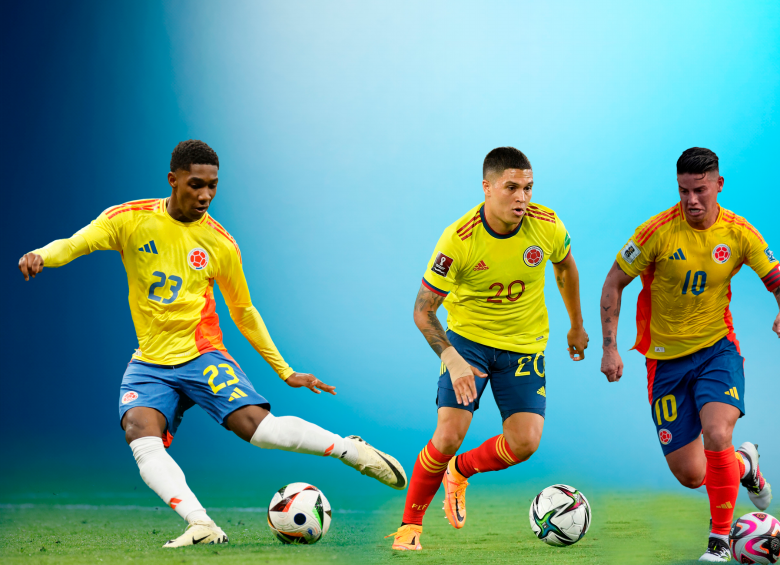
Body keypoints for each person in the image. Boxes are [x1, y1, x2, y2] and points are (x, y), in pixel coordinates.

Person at [18, 139, 407, 548]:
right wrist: (42, 254)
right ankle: (201, 524)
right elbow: (78, 242)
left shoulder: (220, 243)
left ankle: (349, 450)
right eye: (195, 184)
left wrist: (285, 371)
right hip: (150, 362)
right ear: (173, 180)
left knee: (260, 432)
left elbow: (244, 311)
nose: (205, 195)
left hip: (202, 354)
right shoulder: (129, 220)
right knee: (139, 434)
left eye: (213, 186)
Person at [386, 147, 589, 550]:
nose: (522, 198)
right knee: (447, 436)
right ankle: (410, 527)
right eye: (512, 187)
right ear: (487, 188)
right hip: (469, 346)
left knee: (525, 443)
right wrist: (452, 358)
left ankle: (460, 472)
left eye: (528, 188)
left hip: (524, 346)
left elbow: (565, 266)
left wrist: (577, 325)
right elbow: (423, 312)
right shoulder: (458, 240)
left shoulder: (546, 225)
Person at [599, 147, 776, 562]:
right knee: (692, 473)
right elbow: (613, 282)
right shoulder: (656, 232)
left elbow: (776, 278)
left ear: (718, 185)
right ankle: (745, 466)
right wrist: (610, 348)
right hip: (664, 363)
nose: (692, 201)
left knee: (717, 433)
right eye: (683, 192)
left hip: (717, 350)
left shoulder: (739, 233)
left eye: (700, 190)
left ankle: (719, 541)